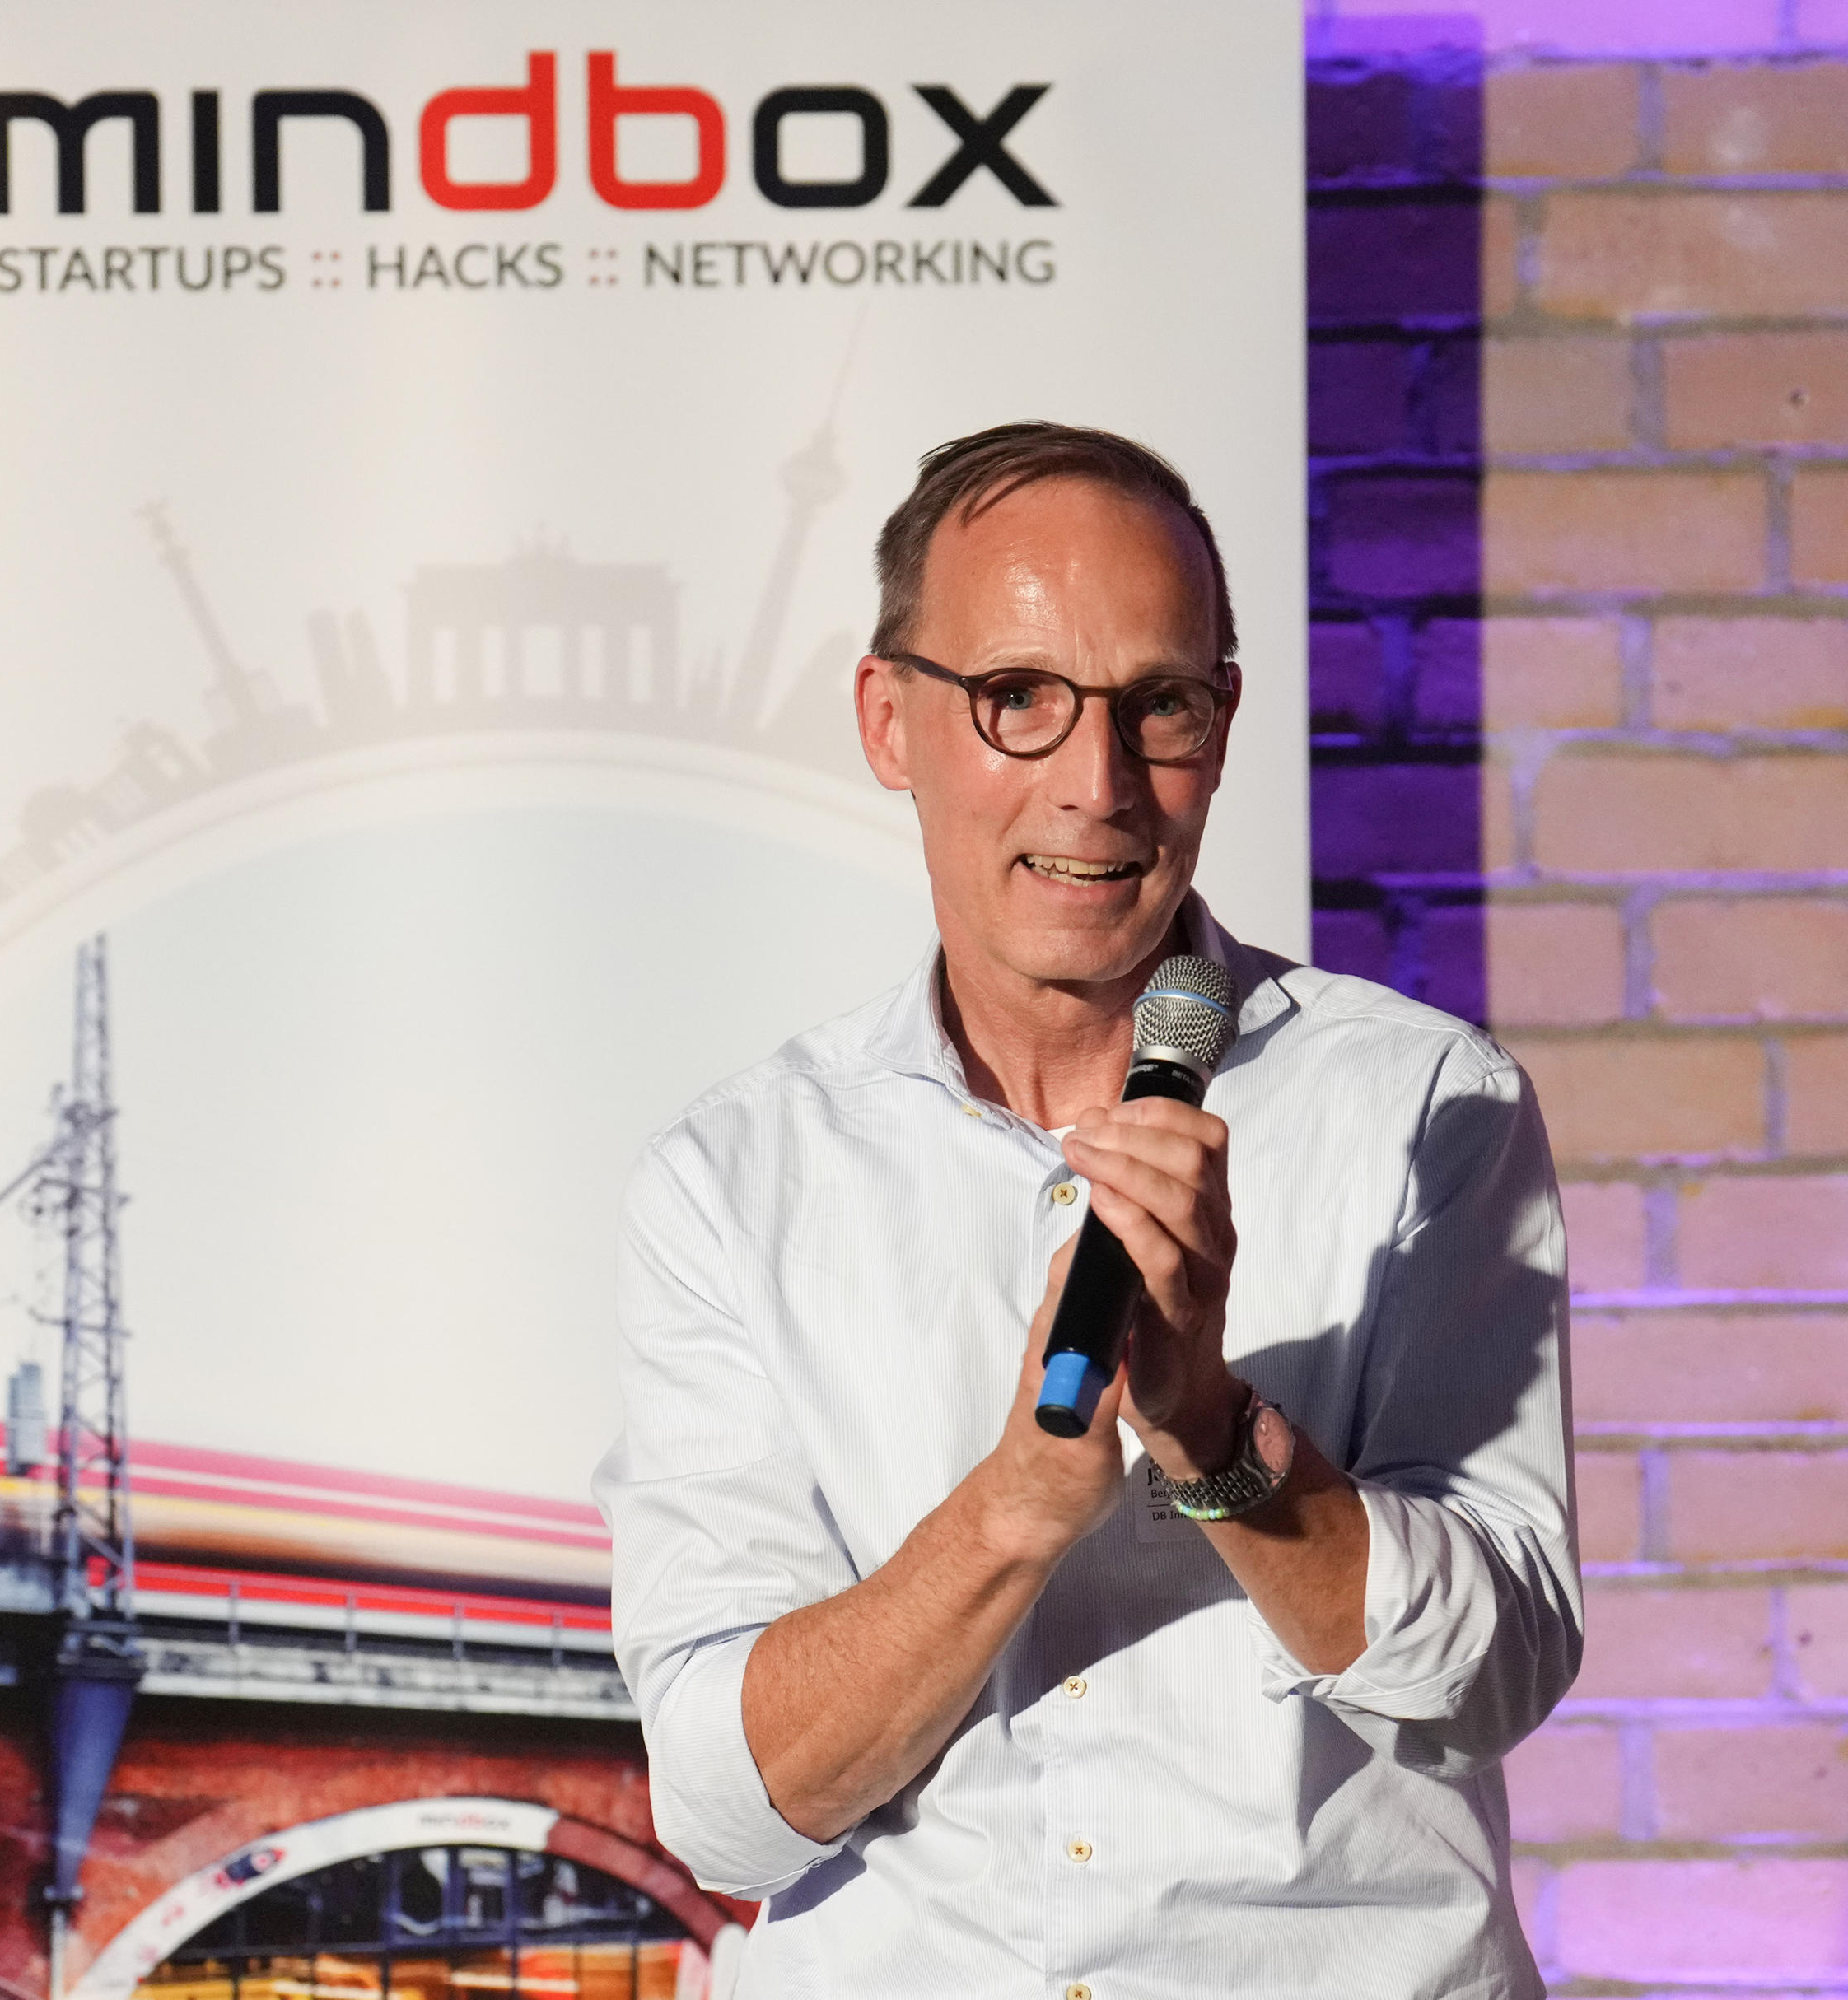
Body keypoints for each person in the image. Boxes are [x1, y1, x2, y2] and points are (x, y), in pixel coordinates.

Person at [595, 422, 1580, 1995]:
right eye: (1019, 698)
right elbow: (726, 1809)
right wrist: (1012, 1510)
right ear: (889, 720)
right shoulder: (734, 1177)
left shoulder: (1422, 1108)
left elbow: (1495, 1677)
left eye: (1157, 707)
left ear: (1223, 726)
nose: (1097, 784)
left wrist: (1216, 1438)